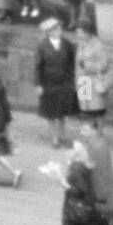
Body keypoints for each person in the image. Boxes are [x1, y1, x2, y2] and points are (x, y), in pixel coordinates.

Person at [36, 17, 77, 149]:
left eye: (59, 28)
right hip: (49, 82)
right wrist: (38, 84)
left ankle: (62, 132)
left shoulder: (67, 44)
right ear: (49, 32)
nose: (59, 30)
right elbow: (38, 66)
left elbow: (72, 62)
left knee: (63, 109)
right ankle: (54, 135)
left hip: (64, 82)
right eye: (55, 29)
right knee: (51, 111)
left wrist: (72, 79)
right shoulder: (42, 46)